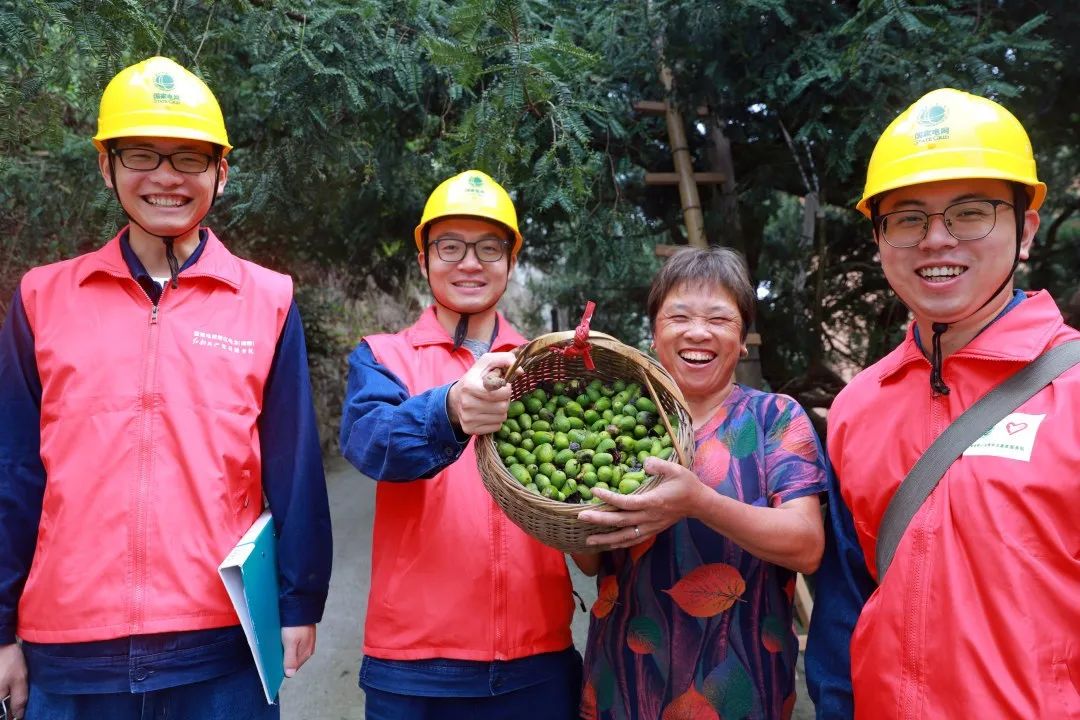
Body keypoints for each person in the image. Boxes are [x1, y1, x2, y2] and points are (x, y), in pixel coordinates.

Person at [0, 56, 332, 719]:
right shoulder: (42, 298)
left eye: (189, 158)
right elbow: (13, 470)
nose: (166, 177)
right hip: (69, 650)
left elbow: (293, 465)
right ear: (106, 165)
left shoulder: (266, 300)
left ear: (220, 171)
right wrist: (1, 628)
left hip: (221, 643)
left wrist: (300, 600)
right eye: (142, 155)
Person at [806, 88, 1080, 718]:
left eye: (970, 212)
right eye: (907, 218)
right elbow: (843, 607)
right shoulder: (856, 408)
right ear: (880, 239)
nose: (936, 239)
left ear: (1025, 231)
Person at [339, 170, 581, 719]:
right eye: (450, 246)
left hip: (538, 657)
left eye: (489, 248)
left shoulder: (548, 364)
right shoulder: (383, 356)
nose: (470, 263)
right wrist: (447, 409)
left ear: (511, 262)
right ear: (424, 260)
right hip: (414, 665)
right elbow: (369, 442)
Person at [574, 246, 828, 720]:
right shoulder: (614, 420)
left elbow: (807, 545)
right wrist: (559, 513)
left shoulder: (775, 418)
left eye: (719, 318)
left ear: (743, 339)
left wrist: (700, 502)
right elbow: (590, 562)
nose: (697, 332)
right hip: (624, 687)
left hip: (740, 692)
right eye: (679, 316)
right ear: (653, 335)